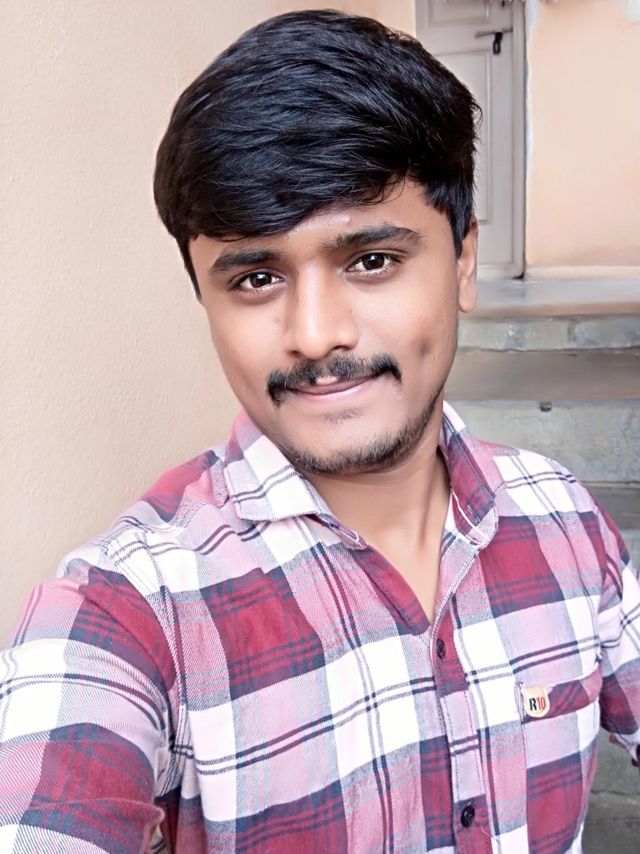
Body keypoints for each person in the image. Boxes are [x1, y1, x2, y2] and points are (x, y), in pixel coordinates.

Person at [0, 10, 638, 853]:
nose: (314, 334)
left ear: (464, 262)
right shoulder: (127, 614)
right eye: (255, 278)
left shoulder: (564, 521)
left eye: (371, 261)